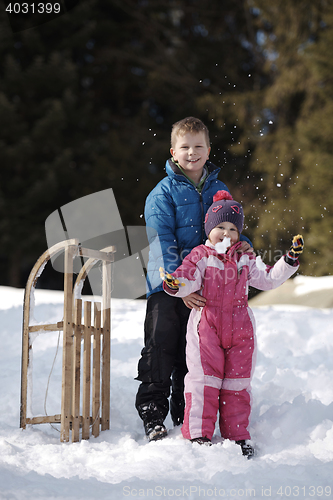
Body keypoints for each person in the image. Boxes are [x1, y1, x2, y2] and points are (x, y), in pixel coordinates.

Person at [135, 117, 253, 442]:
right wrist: (180, 285)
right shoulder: (162, 194)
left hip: (209, 290)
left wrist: (246, 250)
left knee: (196, 353)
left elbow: (234, 232)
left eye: (198, 146)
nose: (192, 152)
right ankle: (152, 410)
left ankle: (183, 409)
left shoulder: (219, 190)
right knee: (162, 345)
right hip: (168, 284)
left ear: (209, 150)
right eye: (185, 147)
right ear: (173, 151)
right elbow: (161, 241)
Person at [161, 190, 304, 458]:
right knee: (204, 380)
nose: (226, 233)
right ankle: (198, 433)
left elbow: (268, 279)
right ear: (209, 229)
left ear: (239, 234)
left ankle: (237, 435)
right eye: (220, 227)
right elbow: (187, 277)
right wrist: (175, 284)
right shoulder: (201, 255)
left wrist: (289, 261)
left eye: (232, 228)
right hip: (208, 325)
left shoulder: (246, 259)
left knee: (237, 383)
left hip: (240, 327)